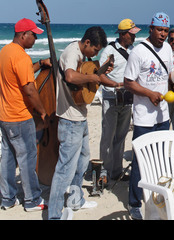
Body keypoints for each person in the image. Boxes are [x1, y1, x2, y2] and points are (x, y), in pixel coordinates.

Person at [48, 26, 111, 220]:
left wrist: (101, 73)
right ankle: (54, 215)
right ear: (87, 43)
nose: (96, 53)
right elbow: (70, 76)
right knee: (65, 169)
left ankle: (76, 200)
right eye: (95, 49)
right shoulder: (71, 52)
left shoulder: (82, 57)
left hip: (81, 118)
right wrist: (93, 77)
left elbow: (85, 78)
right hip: (70, 121)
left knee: (83, 162)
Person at [123, 12, 173, 220]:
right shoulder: (138, 52)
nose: (163, 34)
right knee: (140, 160)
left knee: (161, 159)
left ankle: (156, 196)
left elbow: (169, 75)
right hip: (144, 116)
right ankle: (134, 203)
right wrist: (149, 93)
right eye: (160, 30)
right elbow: (128, 82)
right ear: (151, 28)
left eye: (166, 31)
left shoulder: (169, 49)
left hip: (163, 116)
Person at [0, 19, 51, 212]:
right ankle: (31, 200)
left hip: (4, 115)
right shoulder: (21, 57)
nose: (36, 38)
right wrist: (42, 111)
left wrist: (39, 63)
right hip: (20, 116)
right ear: (23, 35)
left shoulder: (5, 52)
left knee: (8, 158)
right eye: (34, 34)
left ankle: (7, 198)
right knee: (28, 158)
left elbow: (18, 76)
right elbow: (29, 89)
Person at [98, 19, 140, 183]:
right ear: (123, 34)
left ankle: (116, 171)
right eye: (131, 34)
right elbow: (100, 75)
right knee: (107, 138)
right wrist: (117, 84)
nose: (134, 37)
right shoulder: (109, 51)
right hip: (111, 98)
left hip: (127, 99)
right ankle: (104, 174)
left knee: (121, 136)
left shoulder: (133, 50)